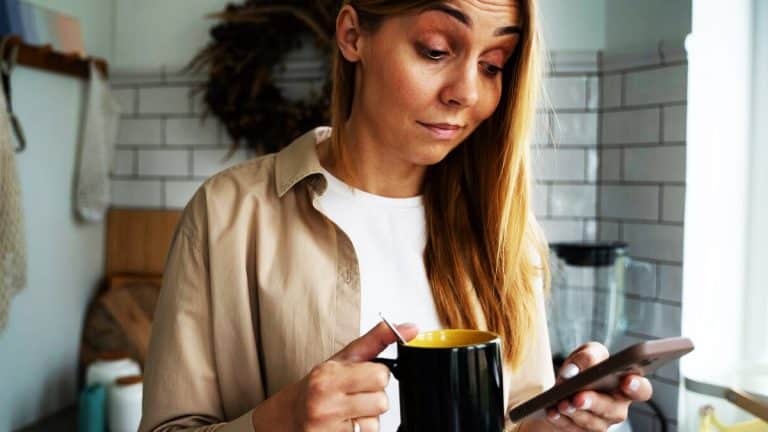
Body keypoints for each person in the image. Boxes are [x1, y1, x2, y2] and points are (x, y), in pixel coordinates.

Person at [139, 1, 653, 431]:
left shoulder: (506, 232)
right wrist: (278, 420)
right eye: (435, 51)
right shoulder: (228, 214)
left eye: (493, 64)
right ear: (352, 34)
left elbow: (517, 420)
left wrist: (560, 421)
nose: (467, 93)